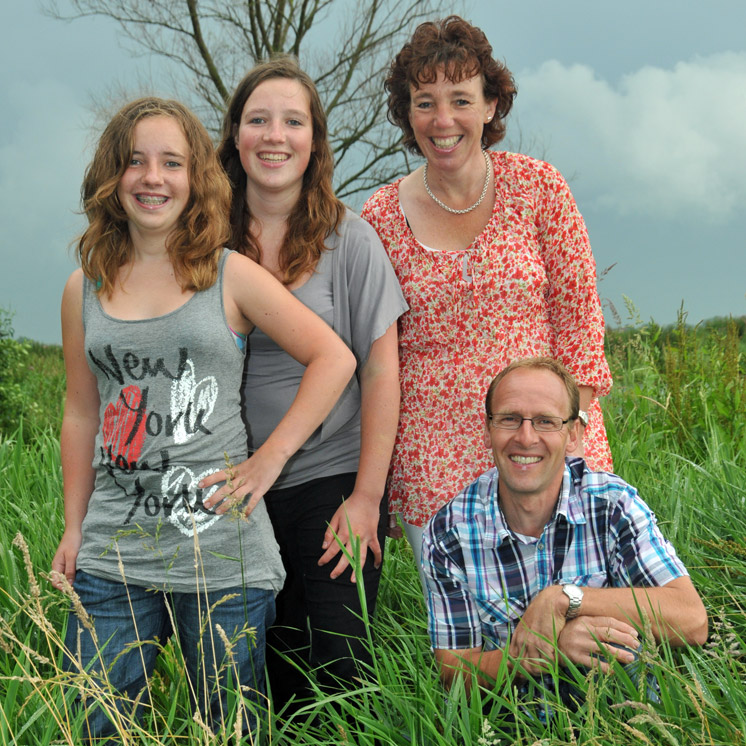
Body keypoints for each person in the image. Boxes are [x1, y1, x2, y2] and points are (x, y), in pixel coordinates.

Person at [50, 97, 356, 740]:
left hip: (221, 554)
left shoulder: (228, 275)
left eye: (171, 163)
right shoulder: (84, 288)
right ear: (113, 176)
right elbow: (81, 414)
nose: (152, 178)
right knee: (99, 725)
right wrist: (74, 528)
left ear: (195, 180)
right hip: (113, 552)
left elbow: (333, 358)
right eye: (136, 162)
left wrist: (267, 461)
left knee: (230, 728)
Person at [361, 15, 614, 578]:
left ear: (492, 105)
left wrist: (561, 437)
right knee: (473, 646)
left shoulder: (539, 188)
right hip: (436, 460)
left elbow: (580, 328)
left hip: (547, 443)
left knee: (577, 627)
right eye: (424, 101)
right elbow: (377, 361)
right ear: (406, 112)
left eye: (461, 99)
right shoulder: (377, 218)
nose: (443, 119)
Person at [214, 56, 407, 710]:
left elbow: (381, 370)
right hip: (232, 488)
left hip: (330, 478)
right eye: (259, 119)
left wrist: (366, 497)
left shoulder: (349, 240)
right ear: (235, 136)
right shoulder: (202, 240)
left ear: (314, 141)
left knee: (337, 678)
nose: (275, 135)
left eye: (293, 121)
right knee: (259, 680)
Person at [423, 357, 708, 697]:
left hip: (624, 717)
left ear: (573, 434)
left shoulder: (612, 504)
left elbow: (692, 620)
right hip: (510, 724)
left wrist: (565, 599)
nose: (526, 438)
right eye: (509, 419)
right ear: (487, 430)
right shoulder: (448, 535)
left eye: (546, 421)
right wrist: (545, 651)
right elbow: (453, 670)